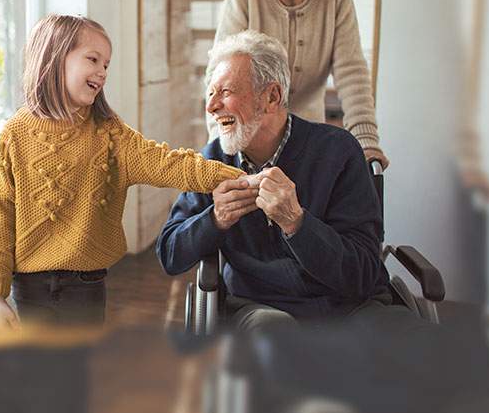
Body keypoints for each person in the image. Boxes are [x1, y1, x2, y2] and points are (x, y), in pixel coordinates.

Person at [0, 14, 243, 330]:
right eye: (93, 59)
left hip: (86, 287)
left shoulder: (109, 134)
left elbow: (169, 164)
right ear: (55, 57)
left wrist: (235, 176)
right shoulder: (15, 134)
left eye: (106, 64)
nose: (102, 72)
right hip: (28, 288)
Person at [157, 30, 391, 330]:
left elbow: (363, 274)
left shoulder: (339, 151)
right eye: (210, 93)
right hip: (263, 312)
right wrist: (215, 218)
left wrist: (297, 223)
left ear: (272, 97)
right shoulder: (212, 162)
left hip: (353, 308)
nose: (211, 106)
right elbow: (169, 253)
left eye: (225, 92)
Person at [213, 0, 389, 169]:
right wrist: (222, 146)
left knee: (305, 209)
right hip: (250, 140)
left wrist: (366, 140)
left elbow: (352, 73)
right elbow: (219, 74)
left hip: (309, 142)